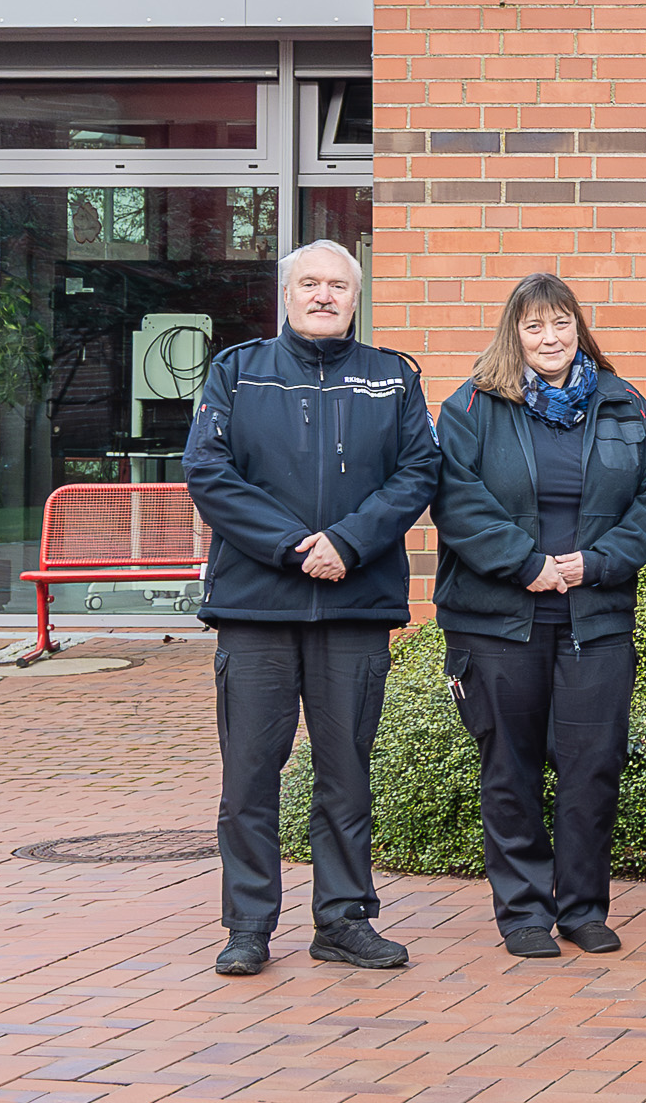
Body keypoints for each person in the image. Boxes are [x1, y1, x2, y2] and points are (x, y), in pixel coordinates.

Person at [183, 239, 438, 978]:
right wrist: (297, 546)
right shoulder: (237, 372)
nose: (324, 295)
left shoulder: (391, 378)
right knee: (251, 776)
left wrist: (349, 544)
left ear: (356, 298)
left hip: (354, 606)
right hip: (257, 607)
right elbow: (209, 472)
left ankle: (343, 921)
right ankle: (249, 926)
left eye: (338, 285)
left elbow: (420, 469)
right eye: (310, 284)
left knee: (346, 774)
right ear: (286, 293)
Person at [430, 273, 646, 957]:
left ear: (578, 327)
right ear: (515, 334)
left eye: (560, 323)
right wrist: (527, 562)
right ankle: (525, 912)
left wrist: (591, 564)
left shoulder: (628, 410)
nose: (549, 338)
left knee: (593, 763)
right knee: (511, 765)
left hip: (595, 618)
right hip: (498, 621)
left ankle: (583, 907)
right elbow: (457, 502)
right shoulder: (472, 407)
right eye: (534, 326)